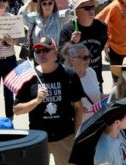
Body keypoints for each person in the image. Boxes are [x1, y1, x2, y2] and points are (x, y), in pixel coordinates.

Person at [13, 36, 84, 165]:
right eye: (38, 51)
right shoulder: (29, 77)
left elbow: (79, 107)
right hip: (38, 138)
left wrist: (76, 134)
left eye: (46, 50)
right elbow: (17, 110)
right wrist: (36, 101)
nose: (41, 54)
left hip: (64, 137)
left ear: (55, 52)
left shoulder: (69, 75)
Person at [59, 0, 108, 85]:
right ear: (76, 12)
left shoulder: (101, 26)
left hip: (96, 77)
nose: (91, 11)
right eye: (87, 8)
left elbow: (101, 46)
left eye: (92, 7)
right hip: (76, 79)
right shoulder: (67, 30)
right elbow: (60, 56)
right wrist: (72, 42)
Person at [61, 43, 101, 122]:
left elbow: (97, 94)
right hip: (75, 124)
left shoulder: (91, 72)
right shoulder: (64, 77)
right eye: (85, 58)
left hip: (93, 122)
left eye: (89, 57)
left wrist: (113, 94)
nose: (88, 60)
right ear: (72, 59)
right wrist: (76, 109)